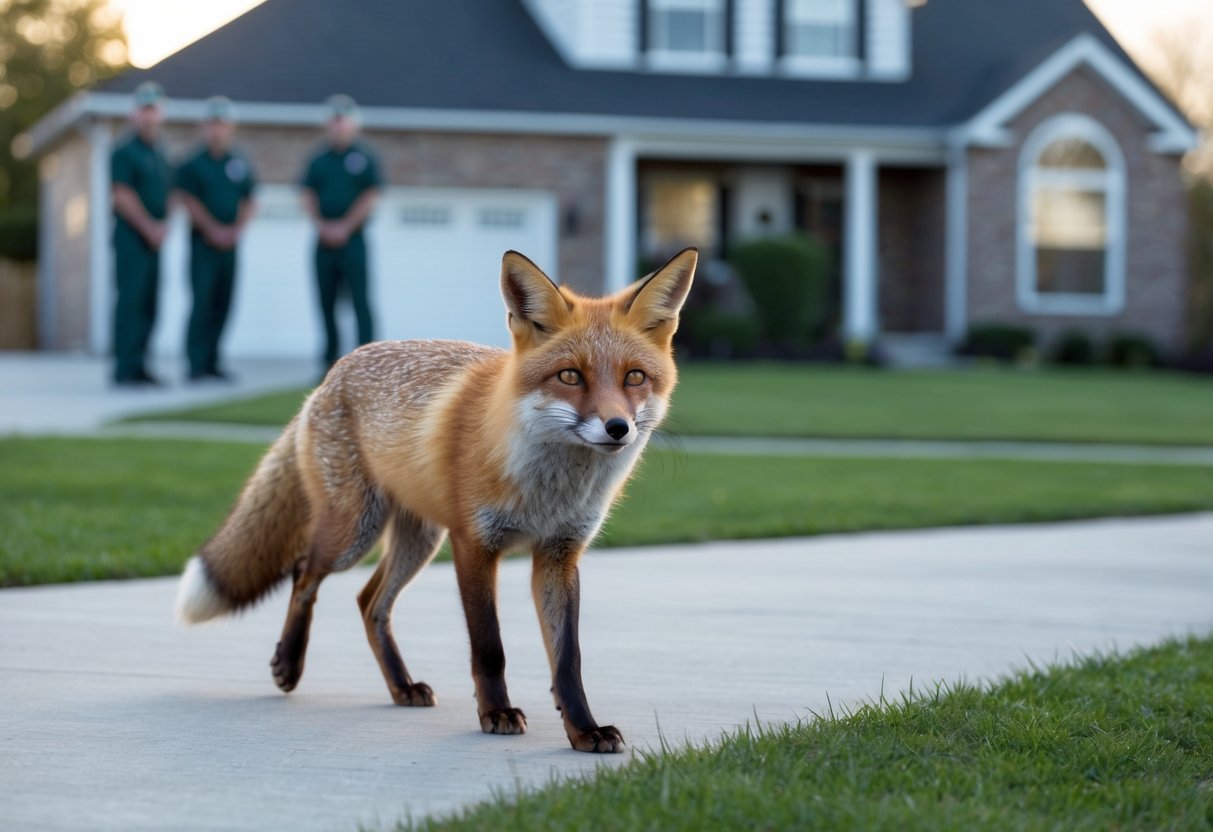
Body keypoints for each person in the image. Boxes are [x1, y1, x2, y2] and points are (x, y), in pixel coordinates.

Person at [175, 96, 257, 382]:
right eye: (212, 124)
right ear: (205, 127)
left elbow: (249, 199)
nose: (217, 130)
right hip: (203, 245)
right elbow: (188, 199)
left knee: (224, 302)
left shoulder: (238, 162)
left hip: (230, 245)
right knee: (202, 301)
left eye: (222, 124)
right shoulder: (193, 163)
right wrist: (212, 229)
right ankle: (195, 364)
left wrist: (236, 229)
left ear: (230, 127)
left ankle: (213, 360)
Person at [300, 94, 383, 372]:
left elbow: (371, 194)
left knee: (360, 301)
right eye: (334, 121)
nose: (339, 126)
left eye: (343, 121)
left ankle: (368, 363)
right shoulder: (319, 159)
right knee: (326, 302)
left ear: (353, 124)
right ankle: (329, 363)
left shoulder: (363, 156)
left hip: (353, 240)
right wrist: (322, 225)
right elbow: (307, 193)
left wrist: (345, 226)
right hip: (324, 242)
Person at [110, 81, 172, 386]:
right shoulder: (125, 152)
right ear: (135, 114)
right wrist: (149, 227)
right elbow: (121, 195)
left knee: (150, 304)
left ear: (160, 113)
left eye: (154, 110)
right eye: (144, 110)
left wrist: (164, 227)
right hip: (132, 240)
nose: (149, 116)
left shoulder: (160, 153)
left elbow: (168, 196)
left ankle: (142, 364)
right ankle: (125, 366)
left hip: (154, 242)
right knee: (130, 302)